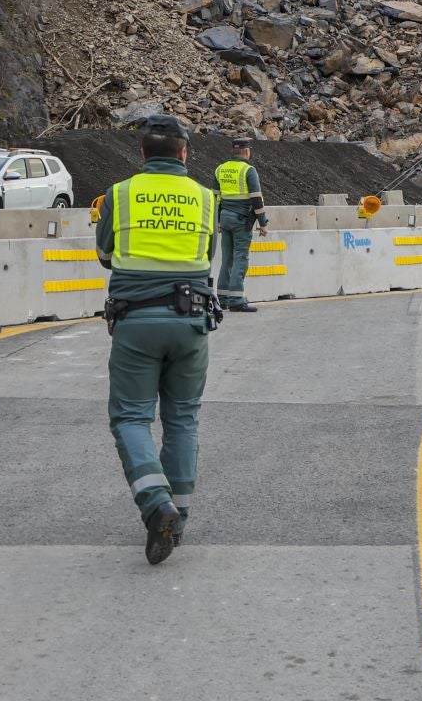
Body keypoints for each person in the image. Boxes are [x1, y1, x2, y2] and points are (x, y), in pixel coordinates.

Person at [94, 117, 220, 565]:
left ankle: (155, 505)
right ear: (185, 153)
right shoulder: (206, 198)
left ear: (142, 154)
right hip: (191, 322)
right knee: (183, 420)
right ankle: (178, 521)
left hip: (136, 321)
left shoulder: (120, 193)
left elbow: (106, 255)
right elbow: (207, 259)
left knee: (131, 418)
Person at [212, 137, 268, 313]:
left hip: (225, 218)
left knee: (227, 259)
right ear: (247, 152)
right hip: (241, 220)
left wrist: (218, 220)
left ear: (232, 151)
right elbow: (256, 198)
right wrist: (263, 222)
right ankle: (236, 298)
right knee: (240, 258)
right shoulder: (248, 170)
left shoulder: (220, 169)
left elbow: (215, 198)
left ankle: (222, 298)